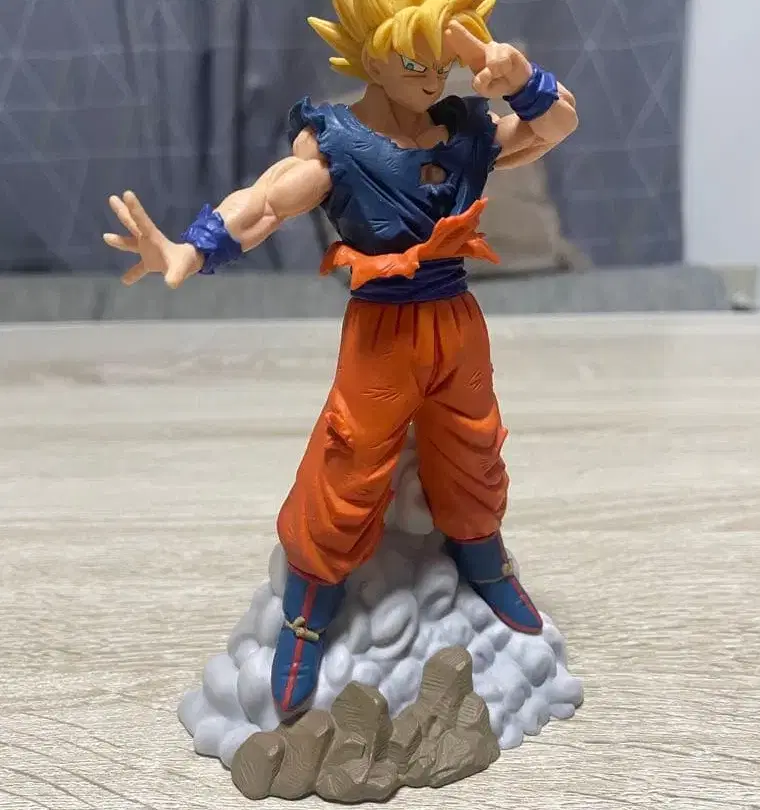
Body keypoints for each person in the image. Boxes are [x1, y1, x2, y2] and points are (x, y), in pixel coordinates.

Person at [103, 0, 578, 717]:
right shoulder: (339, 143)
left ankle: (484, 559)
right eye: (413, 62)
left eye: (441, 62)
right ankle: (307, 610)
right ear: (372, 55)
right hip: (382, 332)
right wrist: (190, 249)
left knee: (475, 448)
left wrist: (520, 78)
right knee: (348, 465)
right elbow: (267, 203)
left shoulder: (466, 129)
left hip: (456, 320)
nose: (432, 78)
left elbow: (555, 126)